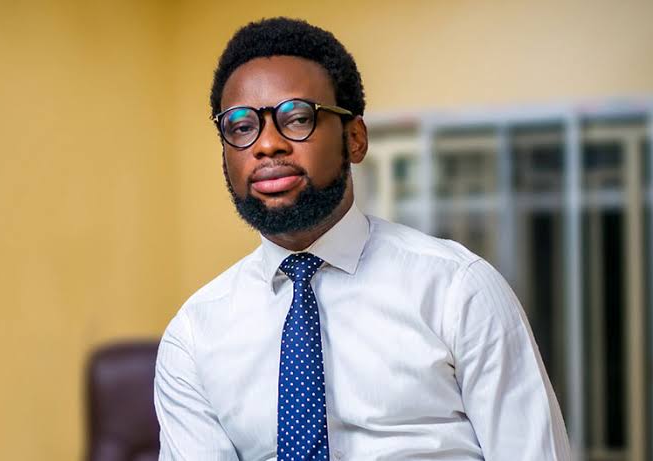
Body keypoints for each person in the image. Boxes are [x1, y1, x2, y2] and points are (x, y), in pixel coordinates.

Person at [154, 17, 571, 461]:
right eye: (240, 127)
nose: (267, 145)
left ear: (354, 138)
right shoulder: (194, 337)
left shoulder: (457, 290)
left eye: (296, 118)